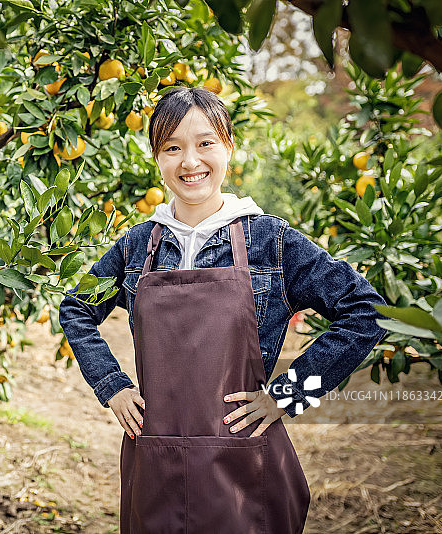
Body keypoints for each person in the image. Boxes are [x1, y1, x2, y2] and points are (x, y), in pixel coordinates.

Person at [58, 86, 388, 533]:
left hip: (244, 461)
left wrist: (287, 396)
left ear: (228, 148)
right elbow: (77, 307)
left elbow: (366, 311)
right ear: (157, 158)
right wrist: (111, 385)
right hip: (155, 457)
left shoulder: (270, 240)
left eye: (205, 143)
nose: (190, 162)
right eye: (173, 147)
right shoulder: (137, 244)